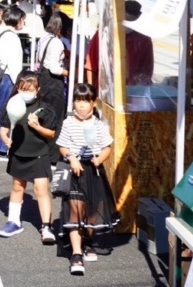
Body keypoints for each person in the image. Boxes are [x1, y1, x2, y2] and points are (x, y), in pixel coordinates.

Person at [57, 82, 116, 275]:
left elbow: (107, 146)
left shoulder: (98, 125)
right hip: (75, 170)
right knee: (75, 210)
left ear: (93, 103)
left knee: (92, 211)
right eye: (77, 100)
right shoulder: (68, 123)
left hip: (93, 171)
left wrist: (100, 159)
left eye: (85, 101)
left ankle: (88, 240)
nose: (81, 105)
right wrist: (71, 158)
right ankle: (76, 253)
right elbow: (63, 146)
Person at [0, 70, 60, 242]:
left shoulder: (44, 109)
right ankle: (13, 221)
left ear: (38, 89)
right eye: (22, 88)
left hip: (39, 155)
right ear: (17, 87)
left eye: (30, 89)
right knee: (17, 187)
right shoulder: (12, 105)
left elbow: (51, 133)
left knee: (41, 190)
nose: (26, 92)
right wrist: (5, 140)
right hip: (18, 153)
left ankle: (46, 226)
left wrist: (37, 126)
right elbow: (4, 128)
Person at [0, 5, 26, 162]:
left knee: (1, 111)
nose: (23, 23)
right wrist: (18, 82)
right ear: (17, 20)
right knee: (4, 113)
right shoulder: (12, 37)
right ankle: (1, 148)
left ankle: (0, 147)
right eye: (23, 20)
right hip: (8, 77)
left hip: (0, 76)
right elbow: (14, 64)